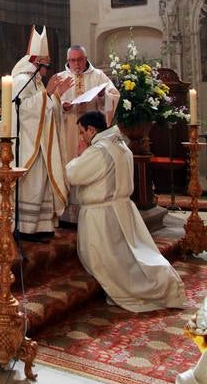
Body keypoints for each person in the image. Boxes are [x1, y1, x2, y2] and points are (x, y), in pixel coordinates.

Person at [67, 111, 186, 312]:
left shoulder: (99, 150)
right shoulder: (120, 145)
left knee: (111, 263)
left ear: (91, 129)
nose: (82, 138)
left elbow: (74, 174)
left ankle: (148, 287)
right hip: (120, 208)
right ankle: (162, 282)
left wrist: (78, 155)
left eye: (82, 132)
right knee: (131, 254)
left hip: (103, 215)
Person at [11, 26, 73, 240]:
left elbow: (44, 107)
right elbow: (24, 110)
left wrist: (56, 97)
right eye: (45, 66)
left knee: (41, 183)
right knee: (32, 183)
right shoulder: (21, 80)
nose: (46, 71)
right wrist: (48, 93)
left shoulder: (35, 80)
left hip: (40, 143)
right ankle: (27, 227)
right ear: (36, 63)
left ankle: (41, 225)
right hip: (29, 144)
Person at [53, 45, 120, 225]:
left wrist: (101, 96)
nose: (76, 63)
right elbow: (48, 103)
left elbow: (113, 95)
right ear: (67, 61)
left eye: (80, 59)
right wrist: (61, 105)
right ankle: (67, 214)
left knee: (89, 166)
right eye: (72, 60)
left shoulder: (98, 76)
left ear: (86, 58)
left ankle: (88, 211)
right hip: (67, 131)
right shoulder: (60, 78)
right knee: (69, 165)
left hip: (91, 131)